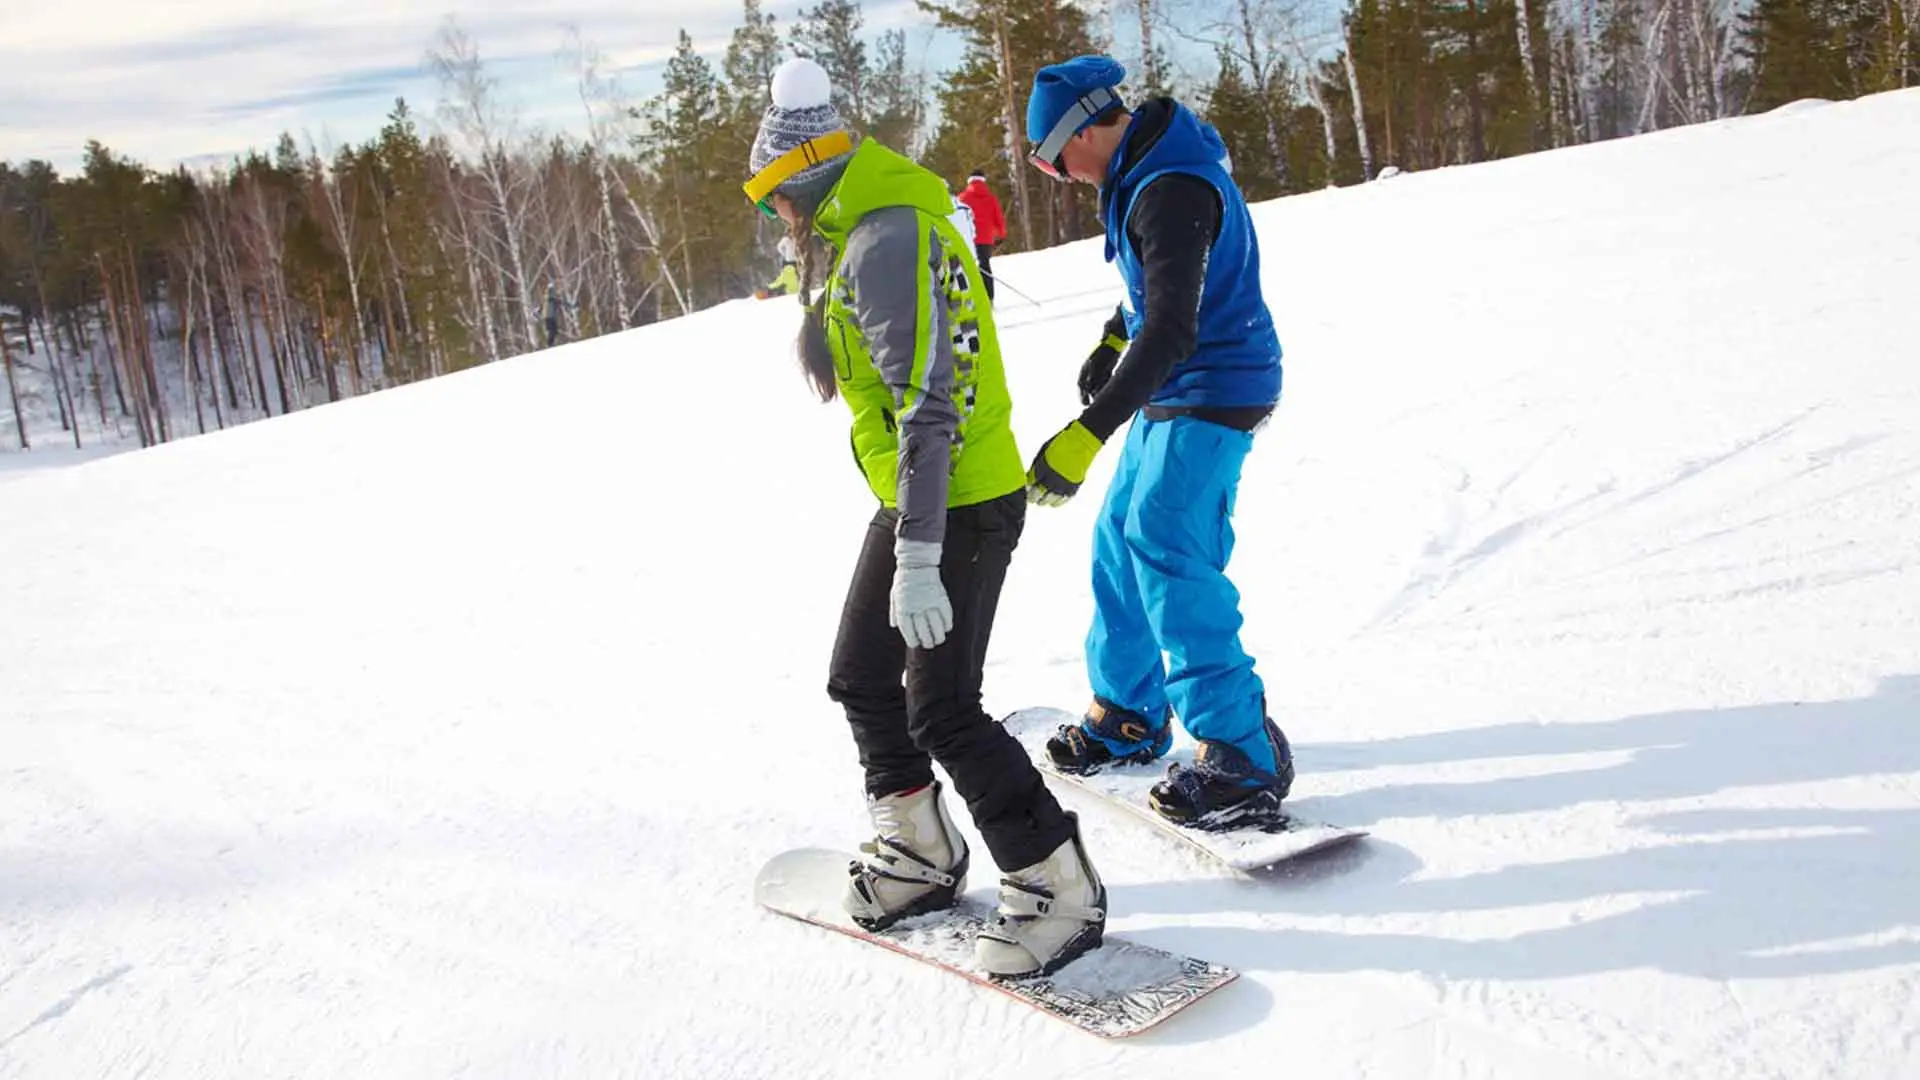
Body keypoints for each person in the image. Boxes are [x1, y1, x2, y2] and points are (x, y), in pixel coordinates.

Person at [741, 57, 1106, 978]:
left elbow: (928, 403)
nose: (771, 216)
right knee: (861, 678)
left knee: (942, 710)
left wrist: (918, 553)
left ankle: (1057, 884)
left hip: (960, 500)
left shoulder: (886, 236)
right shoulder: (860, 229)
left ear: (808, 174)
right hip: (916, 498)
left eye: (772, 197)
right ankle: (922, 851)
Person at [1019, 55, 1296, 831]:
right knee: (1120, 539)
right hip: (1181, 381)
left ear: (1081, 132)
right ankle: (1131, 710)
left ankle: (1243, 751)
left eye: (1049, 157)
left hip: (1216, 385)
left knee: (1168, 546)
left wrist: (1086, 434)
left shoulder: (1170, 187)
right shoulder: (1147, 172)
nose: (1055, 174)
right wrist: (1113, 338)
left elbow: (1175, 324)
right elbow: (1156, 289)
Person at [954, 168, 1008, 301]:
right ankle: (989, 298)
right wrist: (1001, 234)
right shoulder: (991, 198)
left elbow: (957, 218)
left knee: (968, 269)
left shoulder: (962, 198)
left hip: (968, 238)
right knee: (985, 266)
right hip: (986, 239)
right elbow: (999, 219)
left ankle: (973, 299)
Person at [757, 234, 802, 299]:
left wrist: (768, 286)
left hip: (791, 293)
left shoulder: (786, 273)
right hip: (797, 260)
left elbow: (778, 282)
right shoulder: (797, 238)